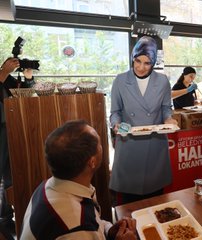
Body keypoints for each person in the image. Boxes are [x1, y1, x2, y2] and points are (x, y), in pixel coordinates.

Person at [20, 120, 137, 239]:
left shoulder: (47, 186)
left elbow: (94, 223)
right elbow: (82, 229)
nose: (102, 147)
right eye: (99, 144)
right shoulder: (76, 228)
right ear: (92, 162)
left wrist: (108, 230)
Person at [110, 36, 177, 204]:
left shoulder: (162, 81)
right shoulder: (120, 80)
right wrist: (116, 124)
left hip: (154, 143)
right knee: (128, 205)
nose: (141, 67)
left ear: (153, 62)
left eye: (147, 63)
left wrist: (169, 119)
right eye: (138, 61)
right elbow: (115, 112)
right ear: (132, 58)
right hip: (128, 141)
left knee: (155, 203)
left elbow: (166, 108)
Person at [0, 58, 35, 234]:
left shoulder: (4, 77)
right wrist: (4, 73)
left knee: (11, 174)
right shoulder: (2, 74)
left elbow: (23, 94)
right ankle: (4, 217)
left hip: (10, 128)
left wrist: (28, 78)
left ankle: (8, 217)